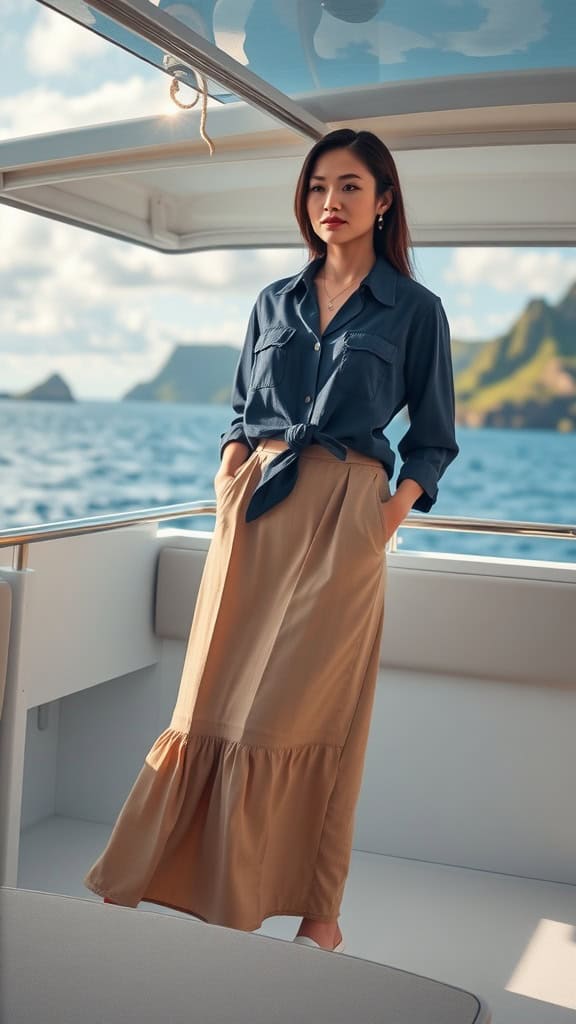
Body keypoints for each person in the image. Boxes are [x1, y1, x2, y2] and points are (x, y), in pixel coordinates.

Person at [83, 128, 459, 954]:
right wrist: (228, 477)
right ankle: (143, 878)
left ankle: (315, 916)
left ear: (385, 199)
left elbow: (434, 440)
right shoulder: (273, 302)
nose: (332, 201)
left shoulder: (415, 310)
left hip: (344, 521)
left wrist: (381, 519)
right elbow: (240, 409)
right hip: (254, 509)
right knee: (208, 697)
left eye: (352, 186)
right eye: (320, 186)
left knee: (308, 712)